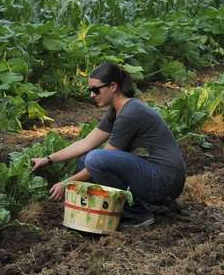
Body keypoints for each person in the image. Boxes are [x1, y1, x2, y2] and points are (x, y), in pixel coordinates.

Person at [29, 62, 186, 229]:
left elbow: (103, 159)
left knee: (95, 159)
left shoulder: (130, 114)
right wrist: (48, 159)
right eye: (89, 90)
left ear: (113, 86)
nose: (91, 94)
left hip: (166, 181)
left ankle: (137, 215)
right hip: (154, 174)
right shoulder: (117, 110)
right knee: (85, 160)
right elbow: (86, 143)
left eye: (95, 89)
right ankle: (146, 204)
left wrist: (67, 183)